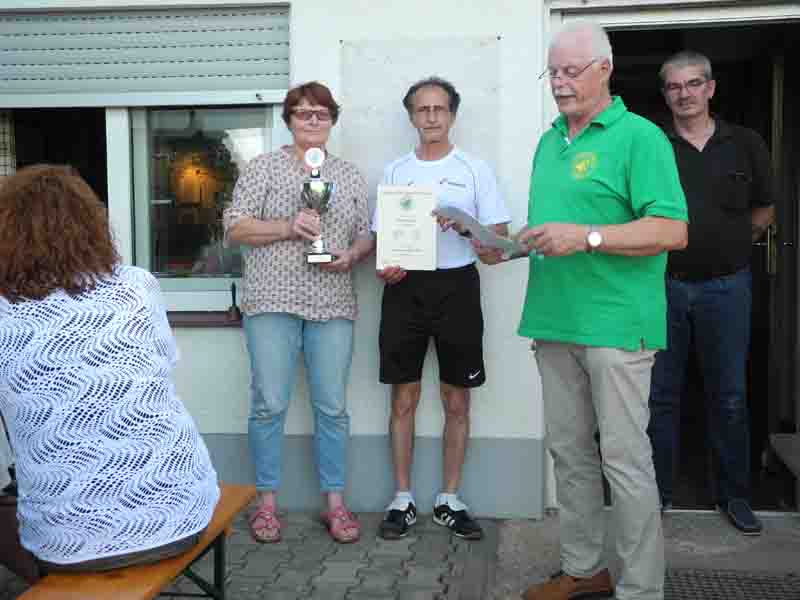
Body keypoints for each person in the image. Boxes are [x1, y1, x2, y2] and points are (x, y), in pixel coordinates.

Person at [512, 23, 688, 600]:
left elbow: (671, 229)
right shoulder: (549, 142)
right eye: (553, 72)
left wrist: (586, 236)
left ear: (604, 69)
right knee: (570, 457)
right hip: (554, 321)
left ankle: (641, 588)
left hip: (617, 325)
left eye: (571, 71)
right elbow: (554, 228)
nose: (559, 83)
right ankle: (584, 568)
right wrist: (502, 245)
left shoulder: (641, 137)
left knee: (624, 462)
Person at [0, 165, 220, 583]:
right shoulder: (136, 286)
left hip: (68, 545)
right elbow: (162, 362)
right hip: (181, 510)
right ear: (91, 225)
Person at [223, 81, 373, 544]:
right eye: (303, 112)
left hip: (333, 300)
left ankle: (335, 502)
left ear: (332, 121)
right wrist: (289, 226)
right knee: (269, 403)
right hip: (272, 299)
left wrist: (353, 254)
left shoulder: (348, 175)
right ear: (288, 119)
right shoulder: (263, 168)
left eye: (321, 113)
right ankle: (266, 502)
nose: (312, 120)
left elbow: (366, 232)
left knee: (333, 406)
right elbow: (235, 227)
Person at [374, 76, 511, 541]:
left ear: (452, 114)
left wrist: (467, 226)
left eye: (439, 109)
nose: (431, 116)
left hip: (458, 287)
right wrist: (386, 268)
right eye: (422, 109)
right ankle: (402, 498)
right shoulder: (395, 171)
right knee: (403, 397)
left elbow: (497, 246)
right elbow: (383, 241)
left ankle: (450, 498)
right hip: (405, 290)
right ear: (411, 116)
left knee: (457, 398)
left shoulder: (475, 169)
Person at [648, 51, 774, 535]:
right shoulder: (652, 145)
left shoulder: (745, 143)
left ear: (711, 88)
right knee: (660, 396)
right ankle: (656, 496)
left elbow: (764, 208)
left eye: (694, 83)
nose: (685, 94)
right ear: (665, 94)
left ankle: (734, 496)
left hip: (728, 288)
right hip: (663, 287)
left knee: (729, 396)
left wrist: (733, 244)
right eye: (675, 86)